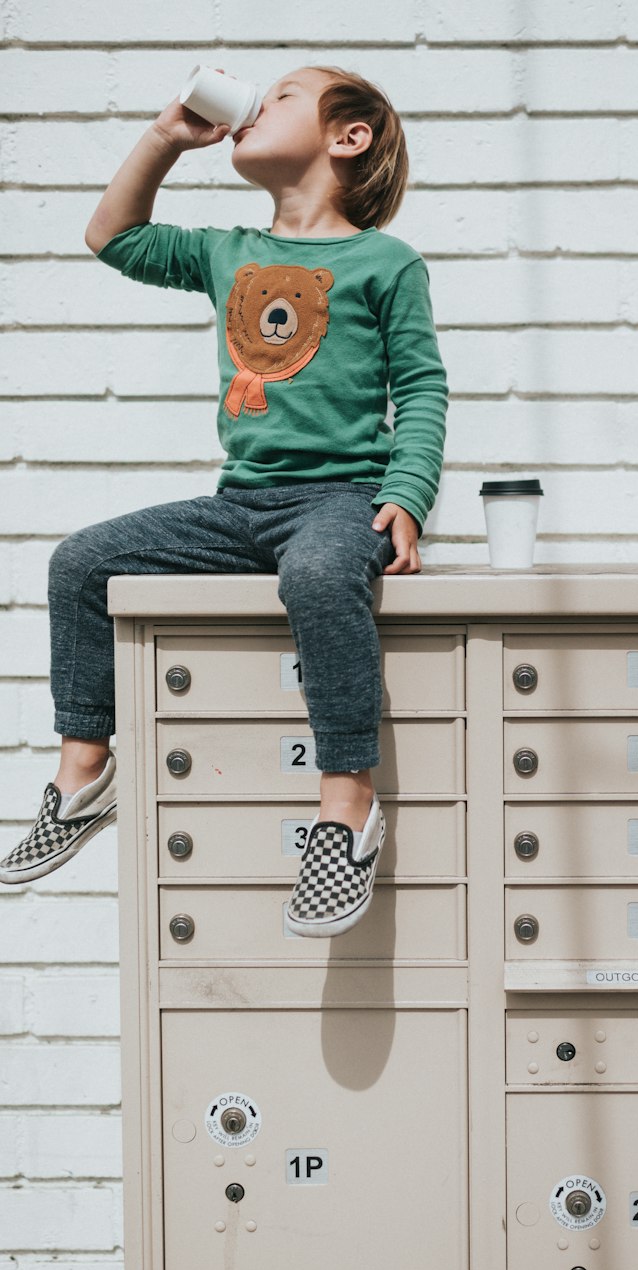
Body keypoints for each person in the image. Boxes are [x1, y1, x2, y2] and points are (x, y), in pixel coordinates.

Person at [0, 65, 449, 938]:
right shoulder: (227, 252)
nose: (256, 104)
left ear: (345, 138)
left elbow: (423, 388)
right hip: (242, 502)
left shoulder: (384, 263)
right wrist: (166, 139)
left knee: (319, 577)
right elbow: (112, 235)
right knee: (81, 561)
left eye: (283, 97)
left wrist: (407, 495)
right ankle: (85, 775)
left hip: (336, 498)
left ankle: (346, 810)